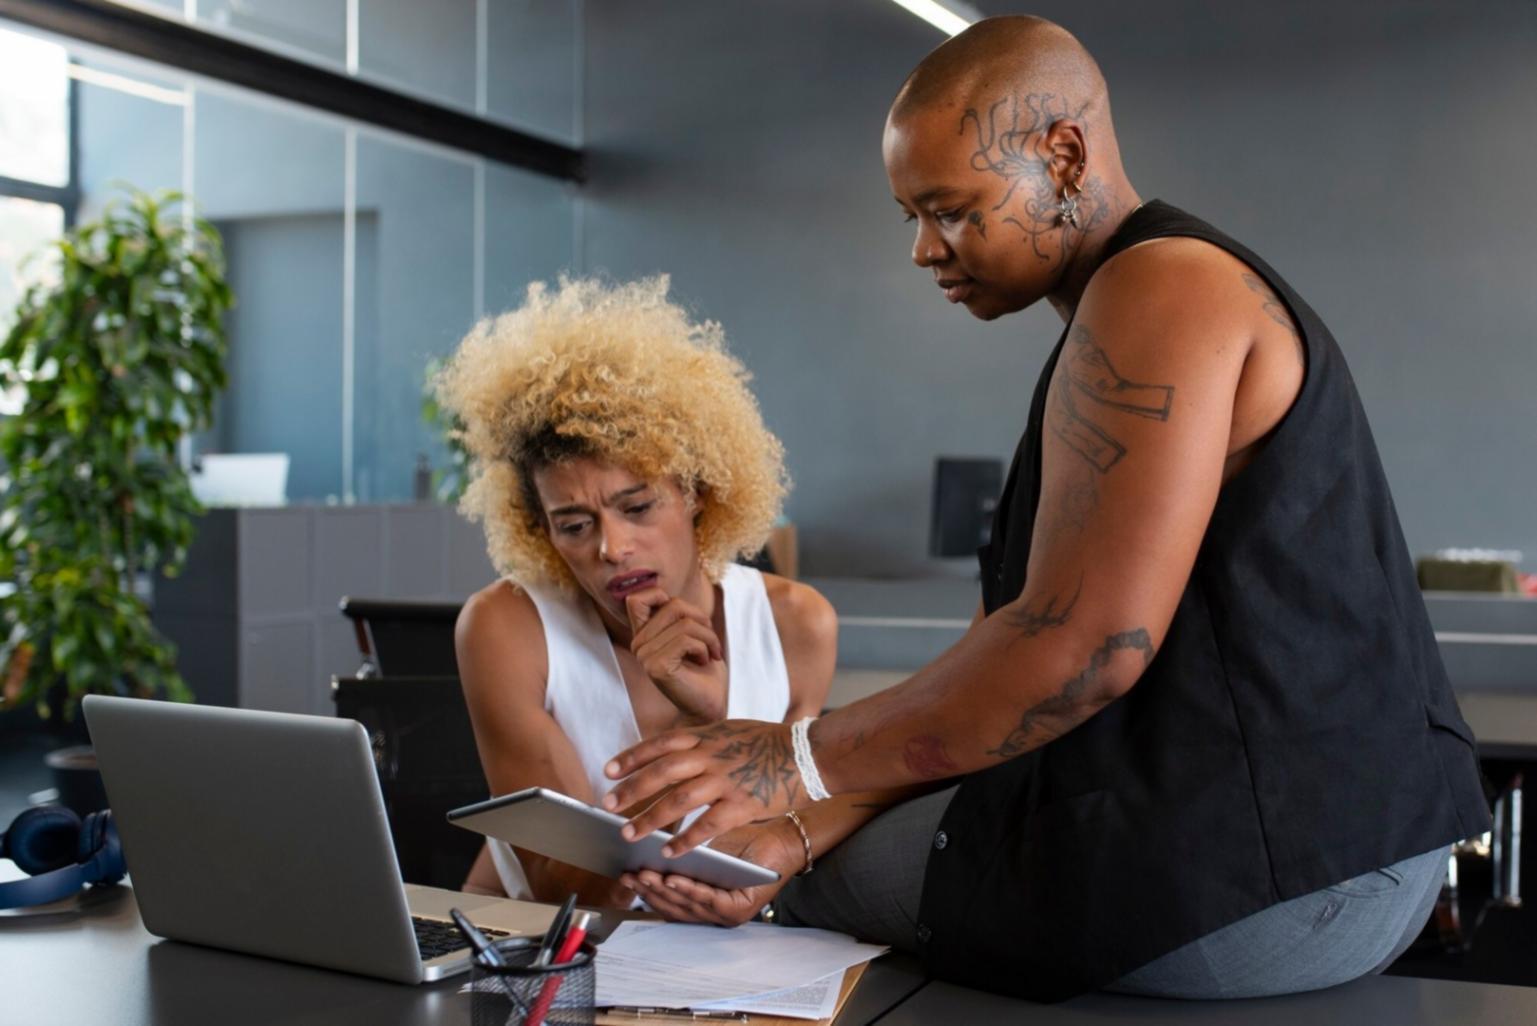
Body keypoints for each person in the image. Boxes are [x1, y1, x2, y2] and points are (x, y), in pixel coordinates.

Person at [600, 16, 1490, 1004]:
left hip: (1292, 886)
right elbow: (1008, 671)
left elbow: (1085, 651)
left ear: (1062, 153)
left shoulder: (1161, 287)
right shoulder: (1128, 311)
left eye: (950, 209)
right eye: (911, 218)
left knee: (822, 887)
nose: (924, 250)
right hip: (1344, 861)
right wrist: (795, 820)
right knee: (796, 859)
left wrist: (793, 759)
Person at [436, 276, 837, 909]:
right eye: (574, 524)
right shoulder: (505, 627)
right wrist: (695, 725)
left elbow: (770, 843)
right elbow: (568, 891)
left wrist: (717, 726)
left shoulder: (797, 625)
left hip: (728, 964)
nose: (612, 547)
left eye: (638, 506)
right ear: (541, 530)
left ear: (698, 490)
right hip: (546, 951)